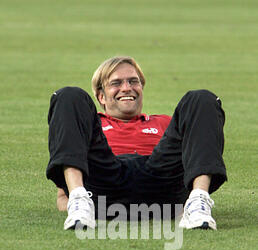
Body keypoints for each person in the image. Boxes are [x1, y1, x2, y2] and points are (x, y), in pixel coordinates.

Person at [46, 56, 227, 231]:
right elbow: (62, 193)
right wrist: (68, 200)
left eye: (133, 82)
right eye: (116, 83)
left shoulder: (166, 123)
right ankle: (80, 202)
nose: (126, 88)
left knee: (200, 98)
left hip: (161, 183)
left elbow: (195, 149)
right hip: (105, 184)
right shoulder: (89, 125)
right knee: (69, 95)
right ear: (101, 96)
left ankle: (198, 202)